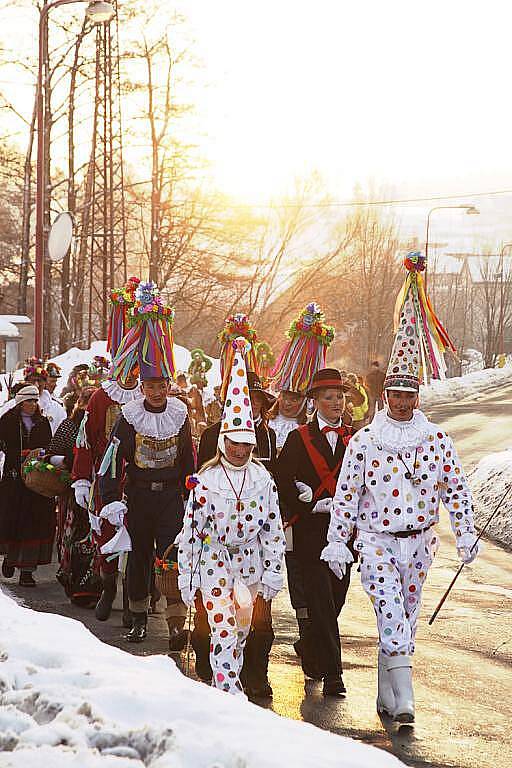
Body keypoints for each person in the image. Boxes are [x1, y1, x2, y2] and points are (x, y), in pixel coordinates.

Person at [322, 251, 476, 723]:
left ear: (417, 395)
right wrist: (337, 541)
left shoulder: (435, 438)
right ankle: (406, 701)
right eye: (397, 394)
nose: (405, 401)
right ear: (385, 394)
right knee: (391, 615)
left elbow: (455, 487)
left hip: (421, 543)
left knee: (405, 620)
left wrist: (465, 531)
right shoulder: (367, 440)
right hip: (376, 542)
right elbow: (347, 495)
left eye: (411, 394)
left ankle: (388, 693)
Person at [178, 337, 286, 696]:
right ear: (223, 442)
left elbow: (271, 531)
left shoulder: (263, 479)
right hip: (214, 561)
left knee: (239, 633)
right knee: (222, 629)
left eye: (246, 444)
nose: (240, 450)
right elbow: (192, 532)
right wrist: (187, 575)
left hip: (249, 565)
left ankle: (225, 687)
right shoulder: (205, 481)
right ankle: (227, 695)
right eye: (234, 443)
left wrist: (273, 571)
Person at [98, 281, 194, 646]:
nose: (157, 391)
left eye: (162, 385)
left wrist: (192, 495)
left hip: (171, 497)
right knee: (138, 558)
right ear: (142, 386)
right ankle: (136, 616)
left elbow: (188, 460)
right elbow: (111, 460)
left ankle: (175, 620)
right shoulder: (129, 416)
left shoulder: (181, 415)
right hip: (138, 496)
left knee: (170, 557)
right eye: (151, 385)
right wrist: (110, 497)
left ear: (169, 384)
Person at [276, 368, 354, 696]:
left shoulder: (357, 438)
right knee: (321, 598)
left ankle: (308, 643)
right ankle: (334, 675)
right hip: (310, 531)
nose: (336, 403)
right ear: (316, 402)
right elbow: (282, 479)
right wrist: (304, 501)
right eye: (328, 397)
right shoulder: (299, 437)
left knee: (337, 596)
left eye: (340, 397)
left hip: (345, 532)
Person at [269, 302, 333, 679]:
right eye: (286, 395)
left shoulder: (313, 431)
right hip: (266, 509)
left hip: (298, 515)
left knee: (301, 574)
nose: (290, 401)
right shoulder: (263, 426)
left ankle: (308, 633)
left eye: (297, 395)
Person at [72, 279, 143, 624]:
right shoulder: (102, 397)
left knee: (139, 536)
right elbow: (86, 440)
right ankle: (108, 586)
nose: (130, 375)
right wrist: (82, 479)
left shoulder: (152, 397)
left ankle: (134, 598)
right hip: (107, 475)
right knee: (107, 532)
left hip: (141, 476)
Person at [49, 387, 100, 606]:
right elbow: (51, 455)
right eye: (87, 403)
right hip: (74, 493)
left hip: (100, 490)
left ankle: (91, 587)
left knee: (94, 538)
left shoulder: (103, 426)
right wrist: (70, 462)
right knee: (75, 536)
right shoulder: (69, 425)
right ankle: (75, 582)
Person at [0, 385, 54, 586]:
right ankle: (11, 558)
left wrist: (40, 455)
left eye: (34, 401)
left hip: (36, 480)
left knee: (33, 524)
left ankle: (27, 571)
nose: (32, 404)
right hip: (14, 481)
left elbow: (49, 446)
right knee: (15, 522)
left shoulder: (42, 423)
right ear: (20, 403)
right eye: (28, 401)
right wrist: (15, 456)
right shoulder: (7, 421)